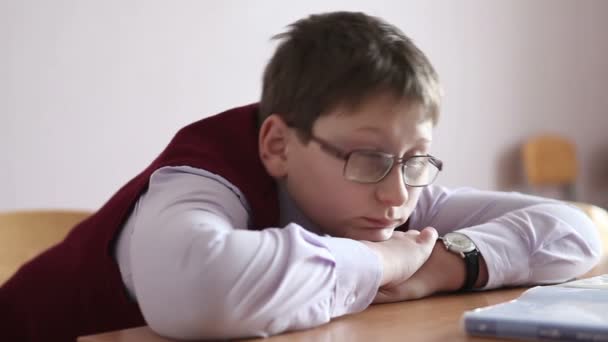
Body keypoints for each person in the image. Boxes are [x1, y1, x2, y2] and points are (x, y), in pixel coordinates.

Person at [0, 11, 602, 342]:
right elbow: (201, 293)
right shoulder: (201, 175)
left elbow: (574, 230)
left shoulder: (392, 191)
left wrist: (447, 265)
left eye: (416, 158)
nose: (397, 194)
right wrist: (389, 264)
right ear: (279, 145)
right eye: (366, 158)